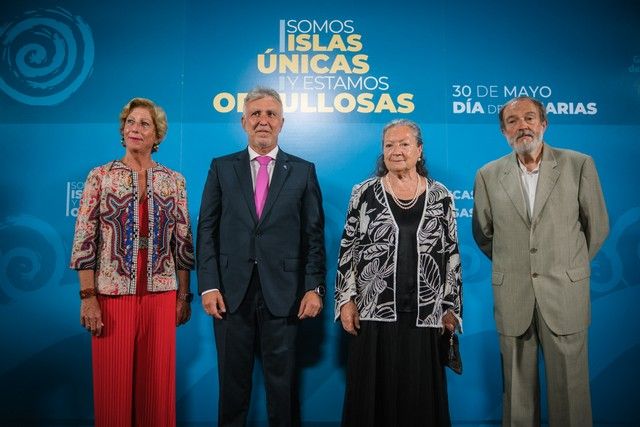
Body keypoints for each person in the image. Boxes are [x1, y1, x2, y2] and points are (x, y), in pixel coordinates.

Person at [472, 96, 609, 426]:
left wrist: (565, 265)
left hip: (565, 295)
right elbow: (483, 233)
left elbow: (597, 227)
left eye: (529, 118)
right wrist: (517, 264)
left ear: (544, 124)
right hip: (514, 296)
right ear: (504, 132)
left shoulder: (579, 165)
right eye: (513, 121)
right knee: (516, 398)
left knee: (572, 396)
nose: (522, 126)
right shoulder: (488, 175)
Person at [197, 86, 326, 427]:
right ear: (243, 122)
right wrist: (208, 286)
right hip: (229, 295)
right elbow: (206, 231)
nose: (263, 120)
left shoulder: (302, 171)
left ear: (281, 122)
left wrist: (314, 287)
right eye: (256, 114)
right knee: (231, 389)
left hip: (285, 295)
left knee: (282, 391)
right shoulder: (222, 168)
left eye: (270, 114)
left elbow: (314, 237)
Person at [70, 97, 195, 427]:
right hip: (111, 296)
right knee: (113, 389)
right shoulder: (100, 176)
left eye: (144, 124)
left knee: (157, 389)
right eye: (130, 122)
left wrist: (184, 295)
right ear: (122, 130)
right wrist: (88, 298)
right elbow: (84, 242)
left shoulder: (174, 181)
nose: (135, 129)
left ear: (157, 136)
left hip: (161, 294)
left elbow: (183, 244)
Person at [335, 119, 462, 427]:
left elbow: (451, 255)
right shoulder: (363, 193)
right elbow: (348, 248)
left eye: (404, 144)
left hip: (426, 314)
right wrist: (346, 299)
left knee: (419, 399)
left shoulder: (442, 195)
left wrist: (450, 309)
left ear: (419, 150)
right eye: (389, 145)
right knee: (371, 397)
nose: (396, 151)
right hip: (373, 312)